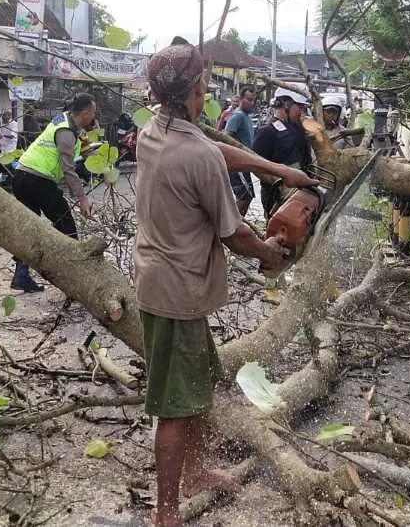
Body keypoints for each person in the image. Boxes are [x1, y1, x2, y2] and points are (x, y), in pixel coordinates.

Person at [135, 37, 315, 527]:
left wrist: (274, 168)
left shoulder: (156, 131)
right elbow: (235, 234)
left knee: (194, 391)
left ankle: (196, 474)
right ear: (196, 87)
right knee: (174, 407)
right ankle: (166, 513)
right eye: (203, 82)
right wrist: (271, 252)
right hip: (178, 292)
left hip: (163, 282)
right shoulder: (196, 154)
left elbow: (214, 151)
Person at [8, 93, 98, 292]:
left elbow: (68, 150)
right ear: (86, 112)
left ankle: (21, 275)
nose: (94, 117)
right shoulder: (66, 131)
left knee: (30, 228)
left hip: (21, 175)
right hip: (37, 180)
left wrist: (85, 152)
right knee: (66, 225)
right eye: (93, 113)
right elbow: (67, 169)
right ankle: (74, 276)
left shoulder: (62, 119)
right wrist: (82, 198)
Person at [252, 87, 314, 218]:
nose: (301, 112)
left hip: (302, 192)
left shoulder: (298, 130)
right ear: (287, 104)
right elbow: (256, 167)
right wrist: (278, 185)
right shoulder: (267, 132)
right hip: (277, 197)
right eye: (300, 107)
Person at [224, 86, 258, 215]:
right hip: (237, 163)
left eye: (254, 100)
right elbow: (227, 136)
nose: (252, 103)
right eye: (249, 99)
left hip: (245, 163)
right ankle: (233, 225)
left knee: (247, 196)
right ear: (241, 99)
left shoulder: (247, 117)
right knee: (244, 197)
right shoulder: (237, 116)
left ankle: (238, 223)